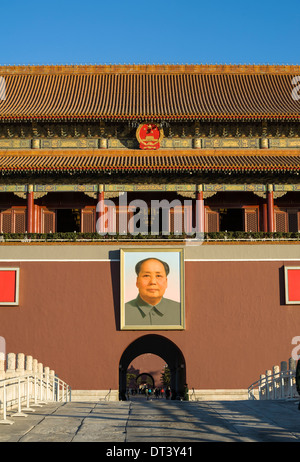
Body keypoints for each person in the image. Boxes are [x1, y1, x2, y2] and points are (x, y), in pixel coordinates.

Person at [125, 257, 181, 326]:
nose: (153, 282)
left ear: (166, 282)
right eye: (146, 276)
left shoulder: (180, 310)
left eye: (158, 276)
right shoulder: (123, 312)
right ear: (137, 281)